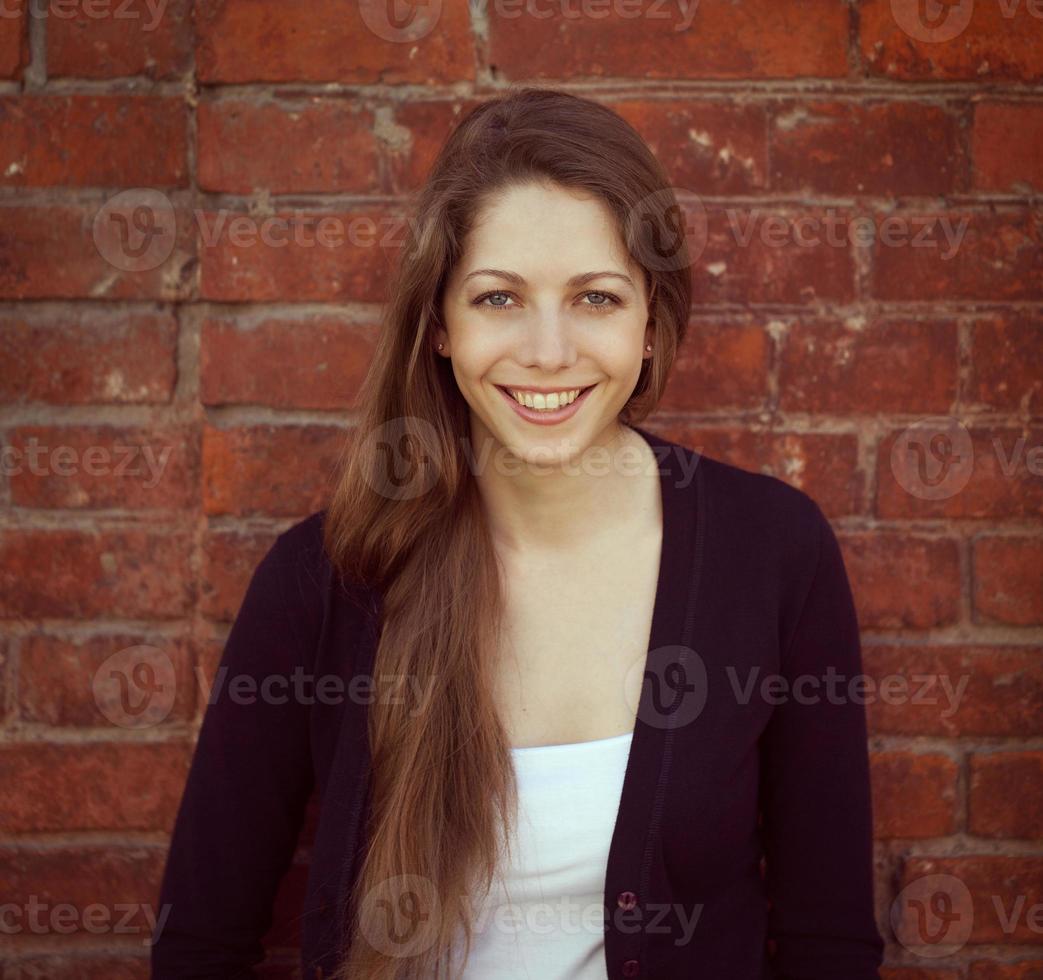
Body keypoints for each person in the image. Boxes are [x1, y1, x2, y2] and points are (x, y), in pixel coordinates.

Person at [152, 85, 884, 979]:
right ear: (439, 326)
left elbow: (828, 941)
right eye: (499, 299)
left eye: (596, 298)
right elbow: (201, 943)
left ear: (650, 323)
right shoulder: (325, 576)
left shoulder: (773, 552)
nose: (546, 351)